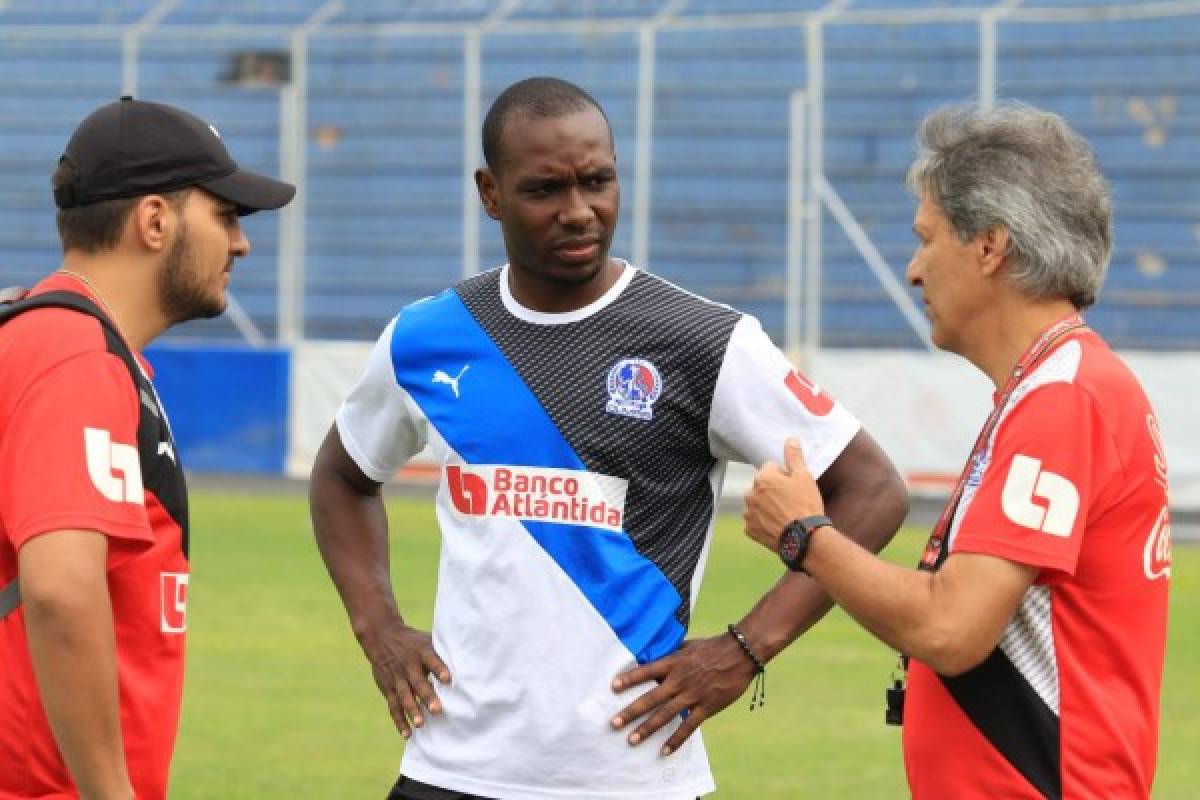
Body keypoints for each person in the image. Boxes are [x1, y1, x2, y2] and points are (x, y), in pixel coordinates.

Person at [310, 76, 908, 800]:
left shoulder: (703, 341)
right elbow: (343, 476)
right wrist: (378, 628)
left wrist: (746, 648)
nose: (579, 212)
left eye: (598, 182)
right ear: (490, 193)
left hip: (632, 774)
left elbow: (872, 490)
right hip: (450, 768)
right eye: (544, 191)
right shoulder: (428, 337)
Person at [744, 102, 1171, 799]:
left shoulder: (1065, 397)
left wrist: (806, 534)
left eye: (926, 238)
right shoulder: (1055, 386)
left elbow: (950, 627)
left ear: (990, 246)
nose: (913, 271)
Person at [0, 97, 294, 800]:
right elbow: (62, 588)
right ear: (155, 220)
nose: (241, 244)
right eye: (225, 216)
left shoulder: (62, 342)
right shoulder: (73, 353)